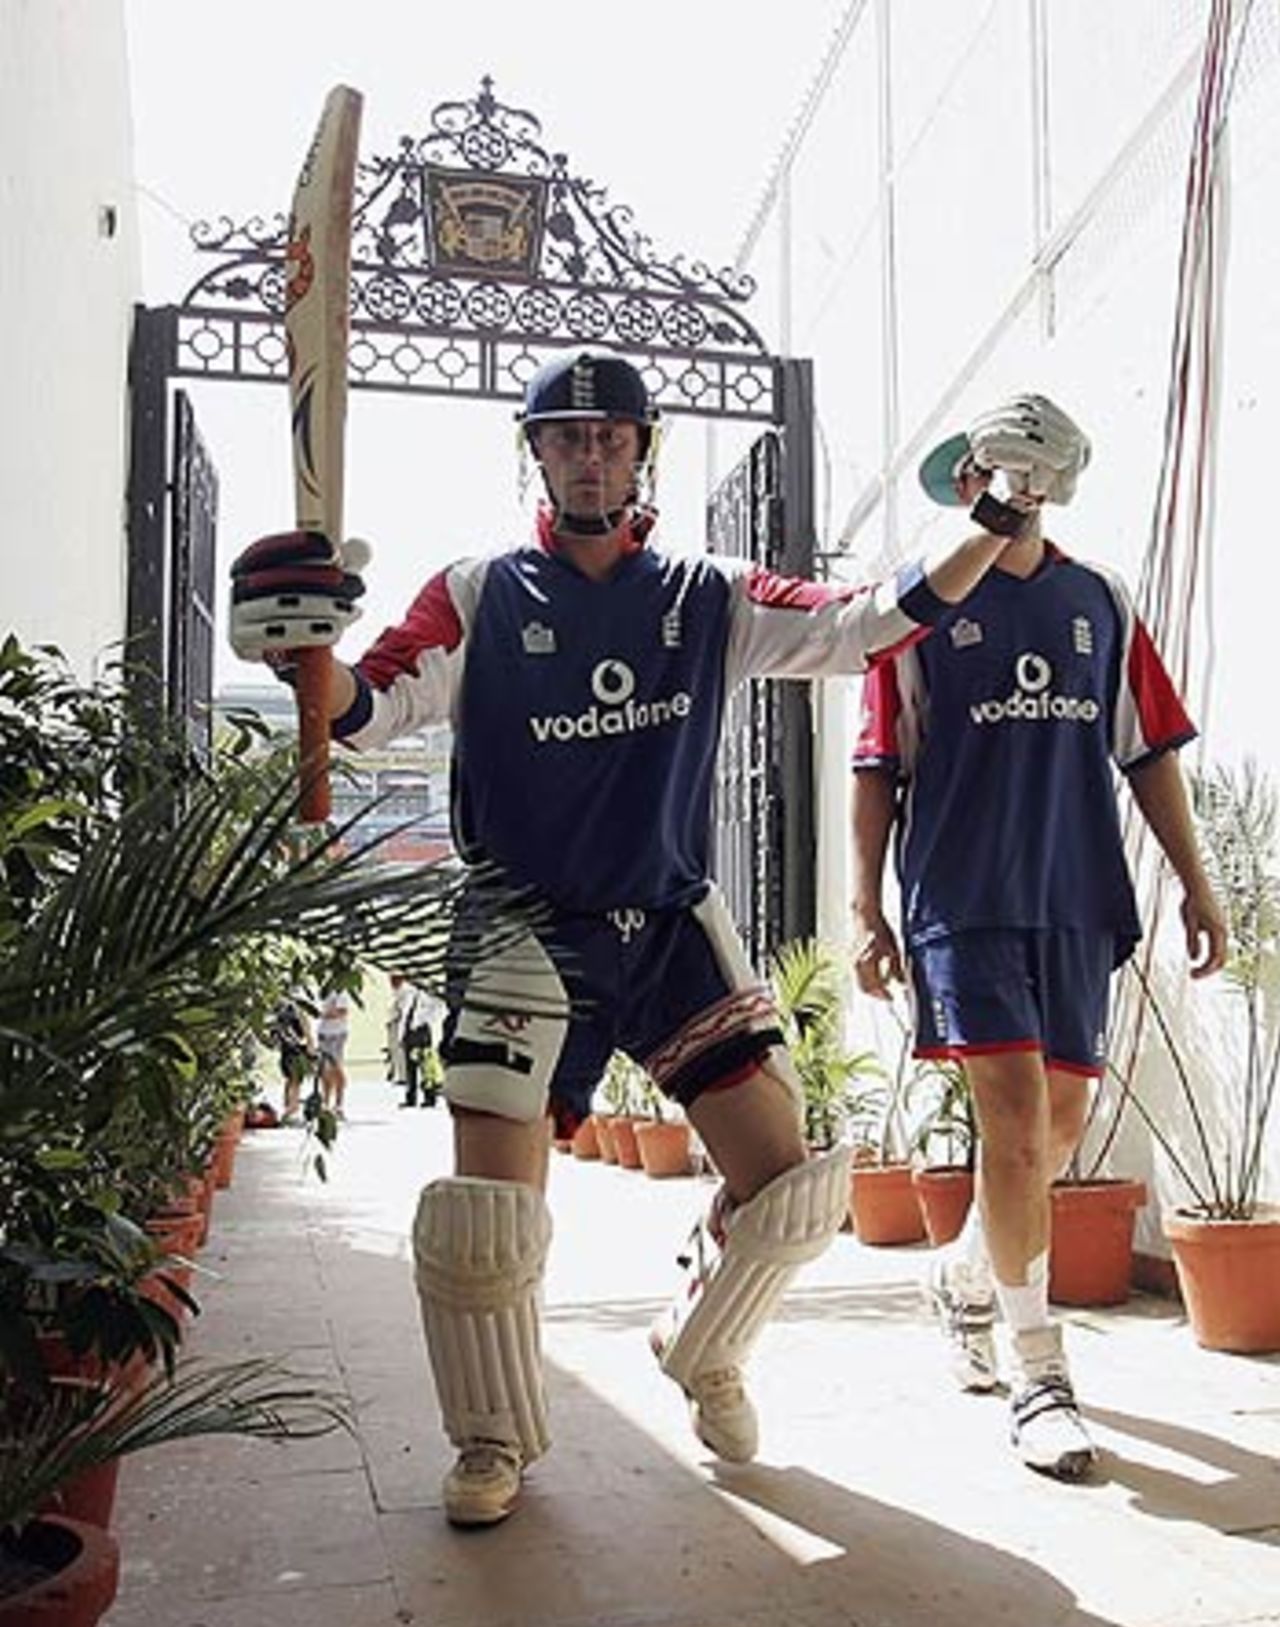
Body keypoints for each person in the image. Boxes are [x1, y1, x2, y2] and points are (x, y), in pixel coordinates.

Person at [229, 345, 1020, 1529]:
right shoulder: (478, 592)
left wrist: (997, 518)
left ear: (641, 451)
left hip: (665, 920)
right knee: (485, 1214)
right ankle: (489, 1436)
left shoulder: (706, 593)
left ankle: (701, 1350)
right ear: (533, 453)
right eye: (565, 436)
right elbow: (364, 710)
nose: (588, 456)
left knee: (795, 1186)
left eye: (610, 436)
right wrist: (305, 650)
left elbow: (864, 624)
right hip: (518, 925)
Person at [849, 392, 1227, 1481]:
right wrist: (865, 908)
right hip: (959, 897)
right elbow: (876, 770)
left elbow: (1145, 749)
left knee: (1057, 1127)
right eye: (977, 479)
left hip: (1075, 893)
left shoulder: (1095, 599)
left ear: (1043, 482)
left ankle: (970, 1272)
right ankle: (1037, 1370)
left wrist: (1195, 888)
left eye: (1011, 479)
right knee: (1011, 1121)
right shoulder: (916, 610)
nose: (990, 497)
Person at [269, 996, 314, 1125]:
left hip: (287, 1049)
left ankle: (289, 1110)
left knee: (291, 1080)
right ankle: (291, 1111)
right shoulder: (293, 1007)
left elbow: (274, 1035)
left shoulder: (278, 1009)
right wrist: (310, 1043)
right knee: (295, 1081)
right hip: (295, 1050)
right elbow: (305, 1025)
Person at [399, 981, 444, 1108]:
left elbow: (439, 1008)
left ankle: (429, 1097)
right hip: (409, 1031)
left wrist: (426, 1020)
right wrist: (401, 1035)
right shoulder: (410, 992)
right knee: (410, 1067)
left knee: (426, 1066)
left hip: (422, 1031)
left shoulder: (430, 994)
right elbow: (405, 1013)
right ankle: (410, 1098)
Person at [316, 989, 350, 1119]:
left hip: (337, 1034)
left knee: (336, 1068)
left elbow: (343, 1011)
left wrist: (322, 1013)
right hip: (323, 1033)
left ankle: (339, 1105)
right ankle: (325, 1103)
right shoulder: (322, 991)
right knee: (324, 1070)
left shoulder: (340, 991)